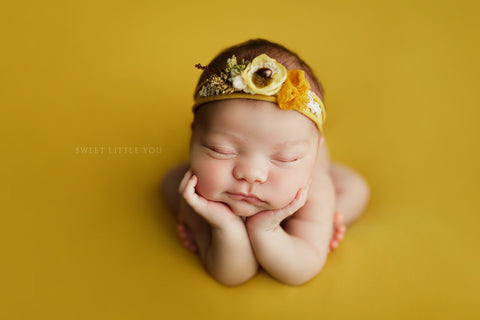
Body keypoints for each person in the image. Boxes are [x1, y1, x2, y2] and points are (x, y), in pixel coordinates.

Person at [162, 39, 370, 286]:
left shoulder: (313, 188)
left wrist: (265, 229)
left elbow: (299, 271)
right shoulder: (198, 190)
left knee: (356, 190)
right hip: (213, 187)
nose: (251, 174)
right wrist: (225, 226)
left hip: (314, 190)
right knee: (170, 183)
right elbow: (233, 275)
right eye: (221, 150)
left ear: (315, 150)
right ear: (194, 135)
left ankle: (327, 222)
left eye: (286, 158)